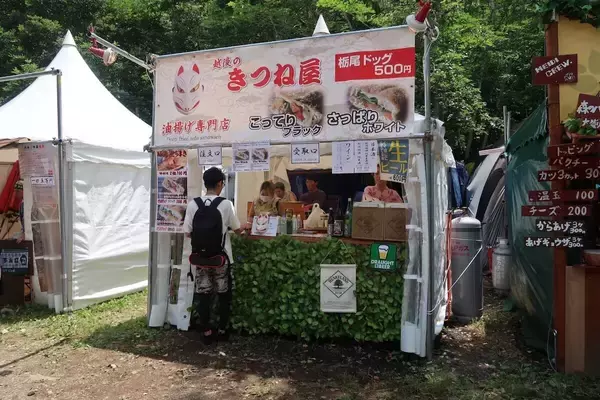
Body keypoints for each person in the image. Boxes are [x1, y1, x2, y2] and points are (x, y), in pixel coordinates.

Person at [183, 167, 242, 344]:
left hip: (200, 258)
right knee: (223, 293)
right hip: (221, 258)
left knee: (204, 293)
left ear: (205, 183)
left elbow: (187, 232)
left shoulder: (193, 204)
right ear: (220, 184)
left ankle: (207, 331)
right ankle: (222, 329)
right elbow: (237, 229)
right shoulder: (226, 204)